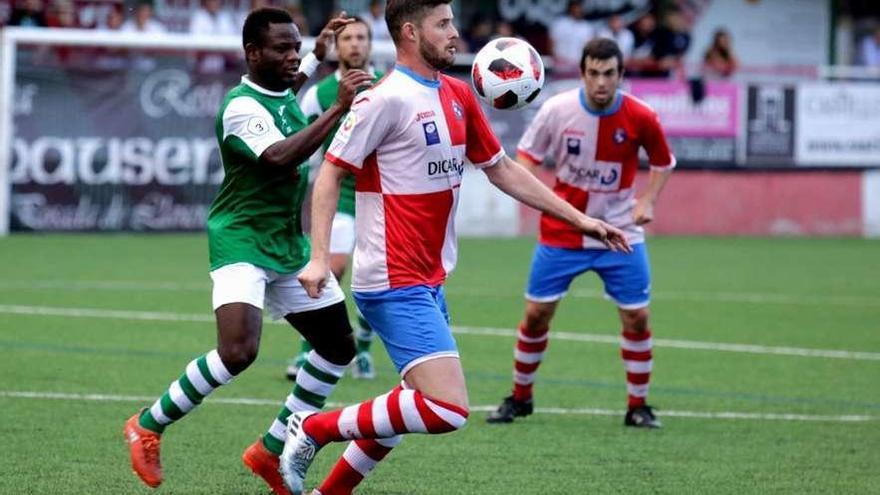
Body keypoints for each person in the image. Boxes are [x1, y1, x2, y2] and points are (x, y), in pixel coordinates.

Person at [278, 2, 630, 494]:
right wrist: (319, 257)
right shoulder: (383, 99)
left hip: (430, 276)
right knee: (446, 408)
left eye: (452, 22)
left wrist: (581, 220)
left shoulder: (460, 94)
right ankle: (311, 428)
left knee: (407, 403)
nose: (454, 33)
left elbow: (503, 169)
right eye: (442, 24)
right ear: (409, 32)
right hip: (391, 277)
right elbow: (332, 170)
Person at [122, 8, 375, 495]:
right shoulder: (240, 106)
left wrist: (319, 52)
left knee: (338, 346)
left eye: (295, 47)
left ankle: (272, 449)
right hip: (241, 240)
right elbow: (281, 156)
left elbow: (293, 88)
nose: (291, 57)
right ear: (252, 53)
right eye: (281, 49)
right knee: (239, 352)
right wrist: (337, 108)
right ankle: (148, 424)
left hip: (286, 242)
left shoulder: (281, 91)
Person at [486, 37, 675, 428]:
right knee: (537, 314)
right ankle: (520, 398)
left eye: (608, 74)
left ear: (621, 75)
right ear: (583, 73)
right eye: (593, 73)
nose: (600, 82)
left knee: (637, 318)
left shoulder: (642, 116)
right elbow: (527, 157)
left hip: (620, 233)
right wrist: (532, 187)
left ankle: (637, 406)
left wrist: (649, 200)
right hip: (563, 231)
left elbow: (663, 161)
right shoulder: (557, 110)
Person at [286, 16, 384, 381]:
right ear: (337, 46)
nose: (355, 44)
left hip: (380, 198)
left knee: (376, 279)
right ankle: (308, 350)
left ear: (370, 45)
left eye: (361, 37)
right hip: (340, 197)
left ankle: (362, 350)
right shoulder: (321, 94)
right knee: (332, 270)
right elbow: (297, 127)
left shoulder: (387, 87)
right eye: (348, 39)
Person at [550, 0, 594, 74]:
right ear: (570, 9)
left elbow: (589, 49)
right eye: (575, 8)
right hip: (560, 64)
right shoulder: (559, 24)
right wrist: (554, 59)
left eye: (579, 8)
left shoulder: (587, 27)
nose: (577, 10)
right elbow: (551, 43)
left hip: (578, 66)